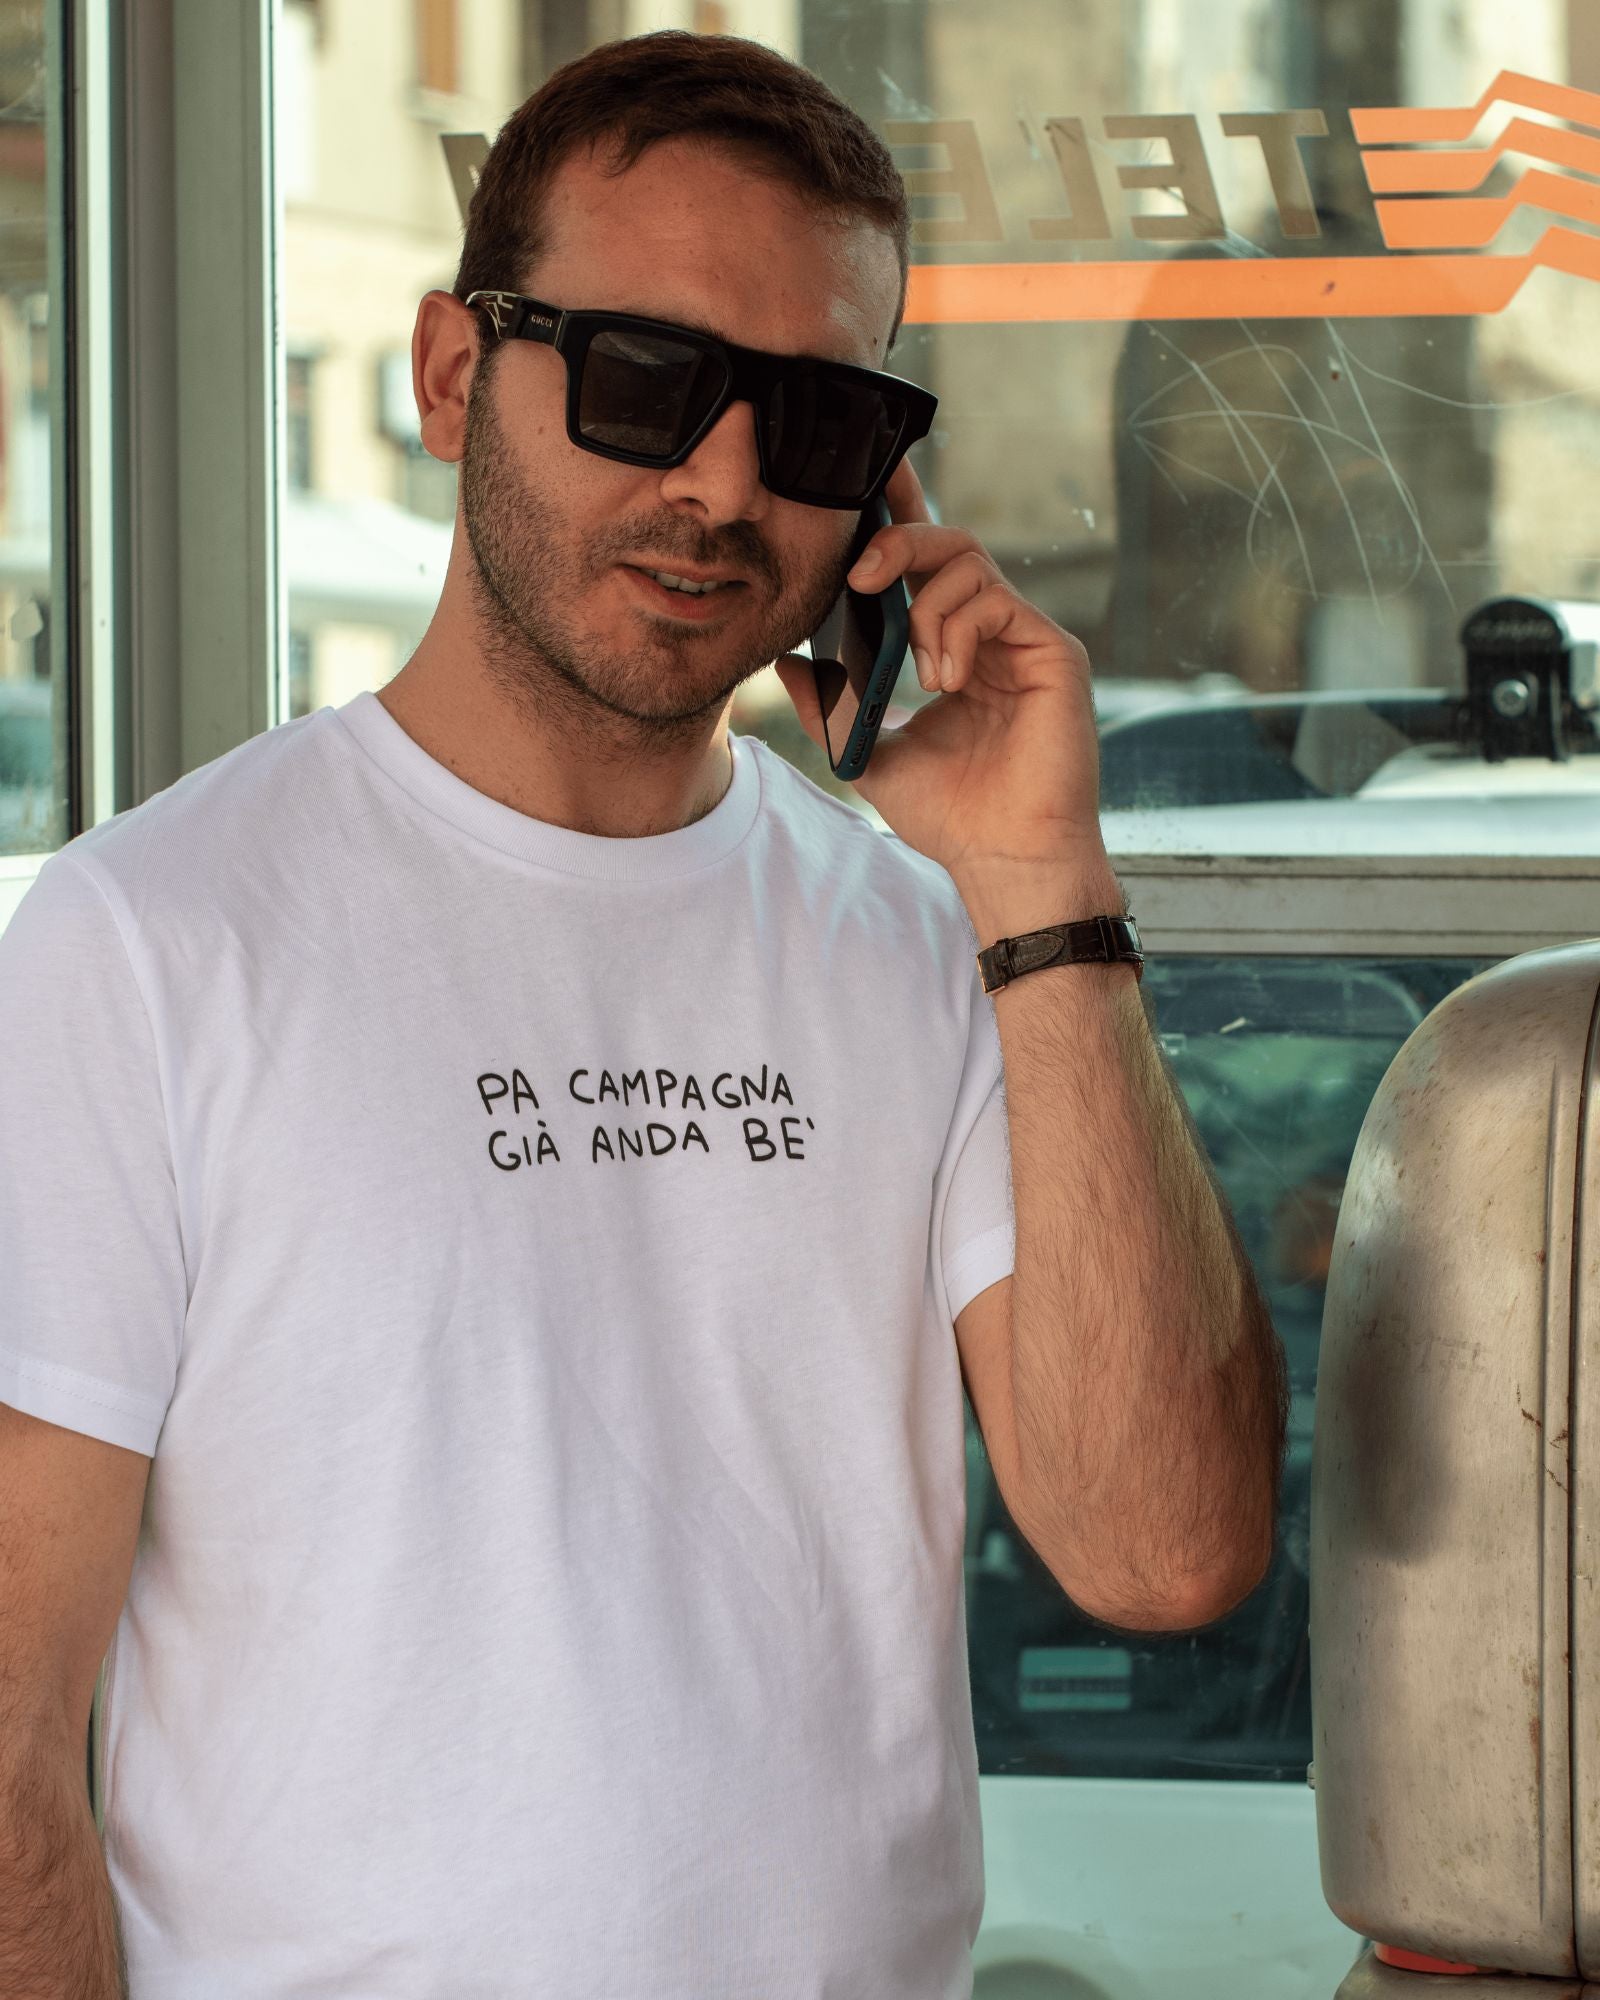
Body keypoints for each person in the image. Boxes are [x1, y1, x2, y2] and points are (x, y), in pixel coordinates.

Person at [0, 32, 1287, 2000]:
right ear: (452, 373)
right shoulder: (150, 942)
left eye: (816, 418)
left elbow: (1164, 1552)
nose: (722, 482)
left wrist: (1041, 887)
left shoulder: (921, 937)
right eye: (641, 380)